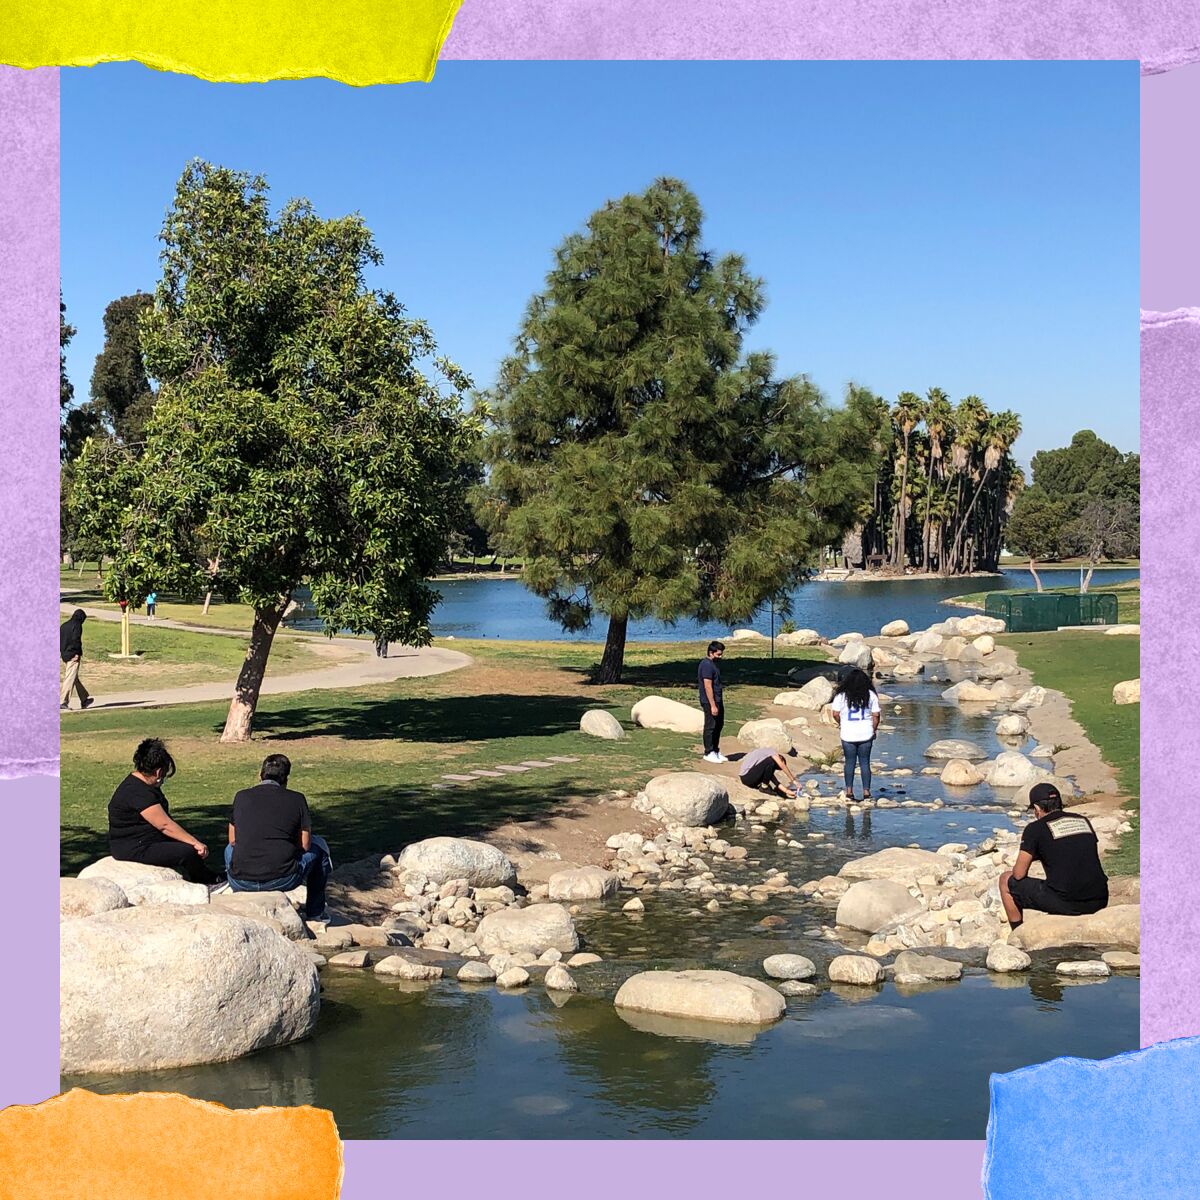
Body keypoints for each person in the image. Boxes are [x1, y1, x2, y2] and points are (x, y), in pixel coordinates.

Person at [226, 753, 330, 922]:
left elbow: (232, 840)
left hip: (240, 880)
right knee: (321, 849)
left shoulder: (241, 796)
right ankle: (315, 913)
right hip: (282, 879)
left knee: (229, 850)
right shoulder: (297, 799)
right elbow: (305, 844)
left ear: (260, 775)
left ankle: (234, 889)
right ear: (286, 778)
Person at [1000, 782, 1108, 930]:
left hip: (1067, 902)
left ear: (1037, 809)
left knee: (1006, 880)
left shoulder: (1035, 829)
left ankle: (1017, 933)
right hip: (1099, 899)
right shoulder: (1082, 820)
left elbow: (1019, 874)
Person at [108, 738, 219, 883]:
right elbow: (164, 824)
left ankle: (203, 874)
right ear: (159, 771)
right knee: (187, 851)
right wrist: (194, 843)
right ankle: (207, 881)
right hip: (135, 848)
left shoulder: (140, 786)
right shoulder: (138, 792)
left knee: (187, 842)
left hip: (143, 841)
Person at [831, 667, 880, 800]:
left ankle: (849, 791)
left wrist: (841, 722)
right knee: (865, 763)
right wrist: (874, 729)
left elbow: (835, 713)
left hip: (848, 733)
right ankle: (866, 792)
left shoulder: (841, 696)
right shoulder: (870, 695)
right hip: (866, 733)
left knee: (849, 762)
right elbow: (876, 715)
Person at [59, 607, 94, 711]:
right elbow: (76, 640)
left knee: (74, 677)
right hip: (73, 655)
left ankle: (84, 699)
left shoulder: (64, 626)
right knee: (70, 677)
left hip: (65, 654)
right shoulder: (77, 625)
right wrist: (77, 652)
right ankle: (63, 701)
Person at [698, 641, 726, 763]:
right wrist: (713, 705)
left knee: (719, 725)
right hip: (710, 701)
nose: (721, 657)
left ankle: (715, 750)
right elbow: (707, 686)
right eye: (719, 654)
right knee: (710, 726)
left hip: (718, 699)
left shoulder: (713, 664)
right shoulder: (706, 665)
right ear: (711, 652)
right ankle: (708, 752)